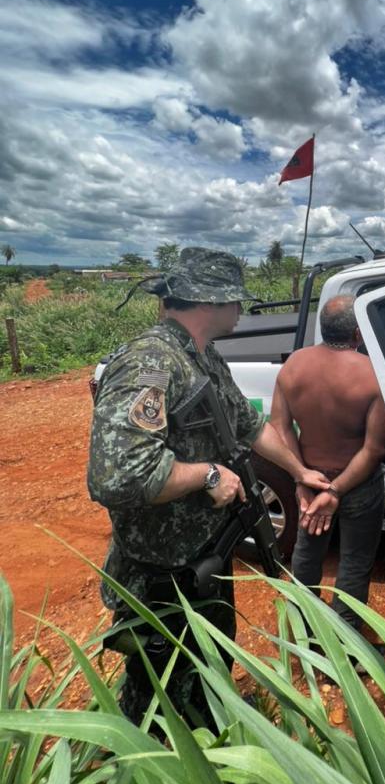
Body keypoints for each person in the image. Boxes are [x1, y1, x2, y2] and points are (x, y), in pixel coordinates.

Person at [88, 247, 329, 727]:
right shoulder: (150, 364)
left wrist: (299, 472)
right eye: (235, 299)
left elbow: (248, 425)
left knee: (209, 663)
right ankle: (149, 782)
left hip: (202, 558)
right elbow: (120, 476)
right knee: (159, 690)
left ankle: (207, 746)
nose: (241, 309)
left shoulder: (201, 356)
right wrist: (209, 475)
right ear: (209, 301)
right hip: (162, 572)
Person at [270, 295, 385, 635]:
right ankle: (347, 649)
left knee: (306, 557)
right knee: (355, 562)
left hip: (311, 479)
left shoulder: (293, 365)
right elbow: (373, 450)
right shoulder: (372, 376)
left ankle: (303, 635)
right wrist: (336, 490)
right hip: (358, 485)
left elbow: (280, 427)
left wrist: (301, 478)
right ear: (357, 333)